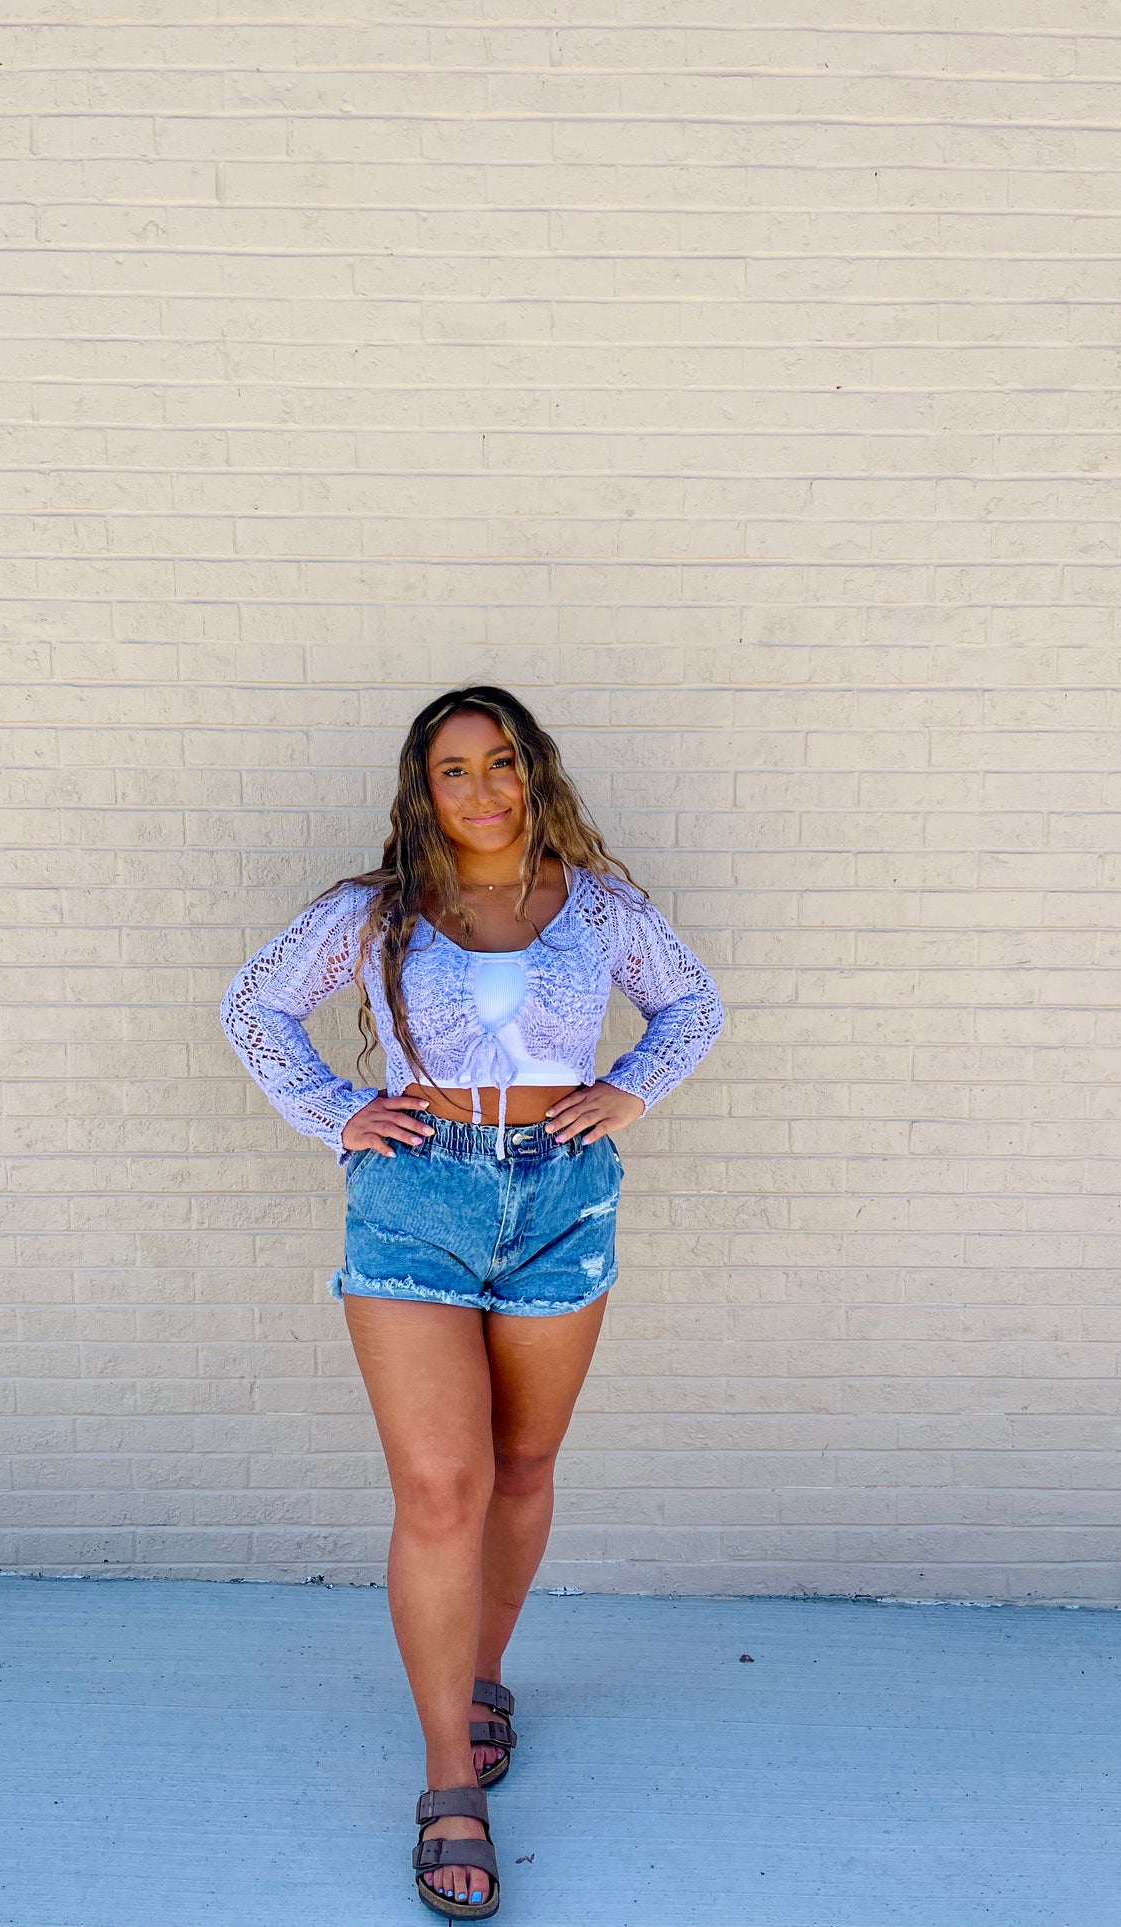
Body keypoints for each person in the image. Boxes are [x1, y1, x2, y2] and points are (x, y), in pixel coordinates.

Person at [219, 685, 725, 1918]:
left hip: (563, 1193)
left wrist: (629, 1090)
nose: (483, 789)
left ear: (531, 771)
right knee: (440, 1484)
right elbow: (253, 1006)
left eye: (501, 763)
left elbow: (692, 1005)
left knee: (522, 1461)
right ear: (422, 789)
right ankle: (450, 1775)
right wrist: (338, 1111)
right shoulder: (376, 912)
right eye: (454, 770)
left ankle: (482, 1673)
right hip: (415, 1197)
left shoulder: (598, 907)